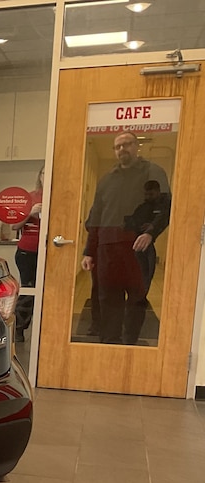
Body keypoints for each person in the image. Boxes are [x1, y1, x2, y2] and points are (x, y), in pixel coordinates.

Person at [81, 131, 170, 345]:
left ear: (136, 146)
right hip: (107, 249)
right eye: (118, 146)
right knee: (108, 300)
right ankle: (110, 344)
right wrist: (89, 251)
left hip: (138, 247)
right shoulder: (106, 180)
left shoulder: (153, 173)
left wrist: (150, 232)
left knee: (137, 298)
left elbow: (166, 207)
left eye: (127, 144)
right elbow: (96, 217)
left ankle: (130, 344)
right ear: (114, 151)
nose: (122, 149)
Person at [10, 167, 43, 342]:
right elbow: (14, 226)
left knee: (48, 291)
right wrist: (30, 213)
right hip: (27, 251)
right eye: (43, 173)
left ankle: (44, 330)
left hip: (51, 252)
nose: (46, 177)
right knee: (29, 290)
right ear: (40, 176)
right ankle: (18, 329)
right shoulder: (29, 198)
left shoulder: (60, 197)